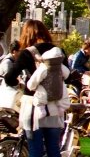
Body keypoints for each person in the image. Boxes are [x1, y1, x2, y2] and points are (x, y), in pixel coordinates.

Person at [4, 20, 69, 157]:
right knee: (53, 148)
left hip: (33, 108)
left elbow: (9, 78)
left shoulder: (26, 53)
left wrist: (20, 84)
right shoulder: (59, 52)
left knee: (35, 150)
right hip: (55, 107)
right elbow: (67, 76)